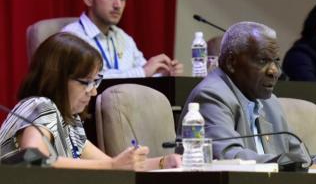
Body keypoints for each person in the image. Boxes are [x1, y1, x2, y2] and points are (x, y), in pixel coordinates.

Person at [177, 21, 316, 167]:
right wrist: (295, 163)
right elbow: (230, 157)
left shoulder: (269, 102)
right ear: (231, 62)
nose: (274, 71)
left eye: (276, 61)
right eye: (262, 60)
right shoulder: (211, 96)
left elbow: (299, 157)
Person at [0, 32, 181, 170]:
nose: (93, 92)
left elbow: (112, 164)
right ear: (56, 78)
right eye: (86, 82)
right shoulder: (40, 105)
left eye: (95, 82)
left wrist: (164, 162)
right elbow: (32, 159)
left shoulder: (69, 120)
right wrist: (112, 167)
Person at [62, 0, 183, 79]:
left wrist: (163, 73)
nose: (118, 5)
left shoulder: (123, 37)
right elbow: (94, 79)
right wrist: (143, 72)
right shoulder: (72, 36)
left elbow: (145, 74)